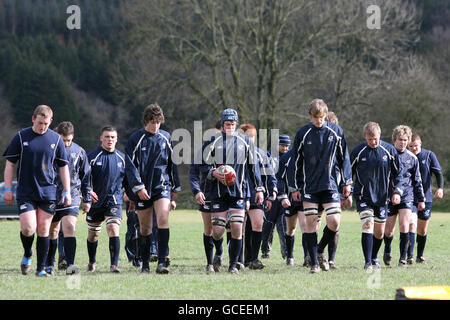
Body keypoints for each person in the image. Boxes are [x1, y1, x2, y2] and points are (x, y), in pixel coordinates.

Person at [2, 105, 72, 277]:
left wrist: (67, 191)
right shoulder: (20, 136)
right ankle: (27, 253)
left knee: (43, 229)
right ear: (33, 119)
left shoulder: (56, 140)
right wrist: (9, 188)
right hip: (26, 191)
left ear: (51, 122)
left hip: (48, 192)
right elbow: (10, 164)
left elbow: (63, 167)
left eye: (46, 124)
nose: (42, 127)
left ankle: (40, 269)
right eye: (40, 123)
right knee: (28, 228)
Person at [288, 99, 352, 273]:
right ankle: (315, 263)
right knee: (310, 223)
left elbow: (344, 158)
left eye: (322, 117)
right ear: (310, 116)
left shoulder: (336, 131)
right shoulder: (303, 133)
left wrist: (347, 182)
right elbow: (295, 162)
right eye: (316, 117)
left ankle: (320, 248)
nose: (319, 121)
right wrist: (294, 187)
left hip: (330, 185)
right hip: (309, 187)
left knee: (334, 221)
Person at [202, 108, 265, 274]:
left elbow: (254, 168)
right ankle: (219, 251)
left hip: (238, 192)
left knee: (237, 228)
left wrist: (259, 189)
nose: (230, 126)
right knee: (217, 231)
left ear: (236, 125)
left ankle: (233, 265)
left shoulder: (245, 142)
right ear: (222, 124)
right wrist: (213, 172)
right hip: (218, 193)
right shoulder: (211, 142)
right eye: (227, 123)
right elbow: (202, 166)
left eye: (233, 123)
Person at [125, 104, 181, 274]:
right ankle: (145, 265)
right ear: (146, 121)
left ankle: (162, 262)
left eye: (158, 122)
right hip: (142, 189)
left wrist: (175, 188)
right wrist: (138, 187)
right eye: (152, 122)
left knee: (163, 219)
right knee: (145, 228)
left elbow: (172, 164)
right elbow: (130, 166)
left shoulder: (166, 138)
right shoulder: (135, 139)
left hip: (161, 186)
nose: (156, 126)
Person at [350, 122, 403, 269]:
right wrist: (346, 190)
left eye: (375, 138)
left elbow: (399, 174)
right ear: (365, 137)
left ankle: (374, 257)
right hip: (363, 196)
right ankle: (367, 263)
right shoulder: (358, 152)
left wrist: (397, 191)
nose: (373, 142)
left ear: (380, 135)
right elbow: (348, 173)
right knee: (368, 224)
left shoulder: (389, 151)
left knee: (379, 233)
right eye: (369, 139)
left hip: (382, 197)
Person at [45, 122, 91, 275]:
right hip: (51, 196)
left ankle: (71, 265)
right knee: (52, 231)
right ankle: (49, 265)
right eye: (62, 140)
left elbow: (86, 177)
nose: (65, 144)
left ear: (73, 137)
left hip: (71, 195)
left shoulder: (79, 152)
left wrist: (87, 199)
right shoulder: (48, 149)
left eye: (68, 140)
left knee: (70, 227)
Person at [383, 125, 425, 268]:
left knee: (404, 224)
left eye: (405, 140)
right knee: (388, 230)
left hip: (407, 196)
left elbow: (417, 180)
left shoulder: (412, 158)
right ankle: (387, 248)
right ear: (394, 140)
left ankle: (402, 258)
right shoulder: (387, 155)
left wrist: (421, 200)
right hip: (389, 196)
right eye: (400, 140)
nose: (403, 142)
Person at [86, 126, 126, 273]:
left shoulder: (122, 158)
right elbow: (82, 178)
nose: (110, 140)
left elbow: (128, 179)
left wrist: (129, 194)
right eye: (107, 137)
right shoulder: (91, 157)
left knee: (113, 228)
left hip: (114, 200)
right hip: (95, 202)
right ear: (101, 138)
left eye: (112, 137)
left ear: (117, 139)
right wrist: (88, 191)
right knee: (93, 234)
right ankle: (92, 261)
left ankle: (114, 265)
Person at [240, 124, 277, 270]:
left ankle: (254, 259)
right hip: (239, 195)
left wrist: (271, 194)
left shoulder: (260, 154)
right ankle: (238, 259)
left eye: (251, 137)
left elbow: (270, 175)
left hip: (256, 195)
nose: (249, 140)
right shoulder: (232, 154)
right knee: (239, 228)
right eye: (246, 137)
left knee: (257, 225)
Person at [189, 121, 224, 273]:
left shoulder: (234, 148)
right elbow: (193, 172)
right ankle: (210, 262)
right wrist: (197, 190)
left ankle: (220, 251)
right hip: (208, 192)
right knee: (208, 228)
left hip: (226, 194)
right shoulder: (204, 149)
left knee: (221, 228)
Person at [407, 133, 443, 264]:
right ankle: (409, 255)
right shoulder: (406, 157)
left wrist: (440, 188)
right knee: (411, 224)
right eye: (411, 146)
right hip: (410, 197)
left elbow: (438, 173)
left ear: (420, 143)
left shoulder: (428, 155)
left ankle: (419, 256)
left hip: (426, 198)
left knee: (422, 229)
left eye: (415, 146)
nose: (414, 149)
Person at [260, 134, 291, 260]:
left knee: (283, 226)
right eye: (282, 145)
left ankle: (286, 252)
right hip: (271, 196)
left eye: (287, 146)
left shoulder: (290, 157)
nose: (284, 148)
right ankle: (265, 251)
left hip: (284, 197)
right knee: (268, 226)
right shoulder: (268, 156)